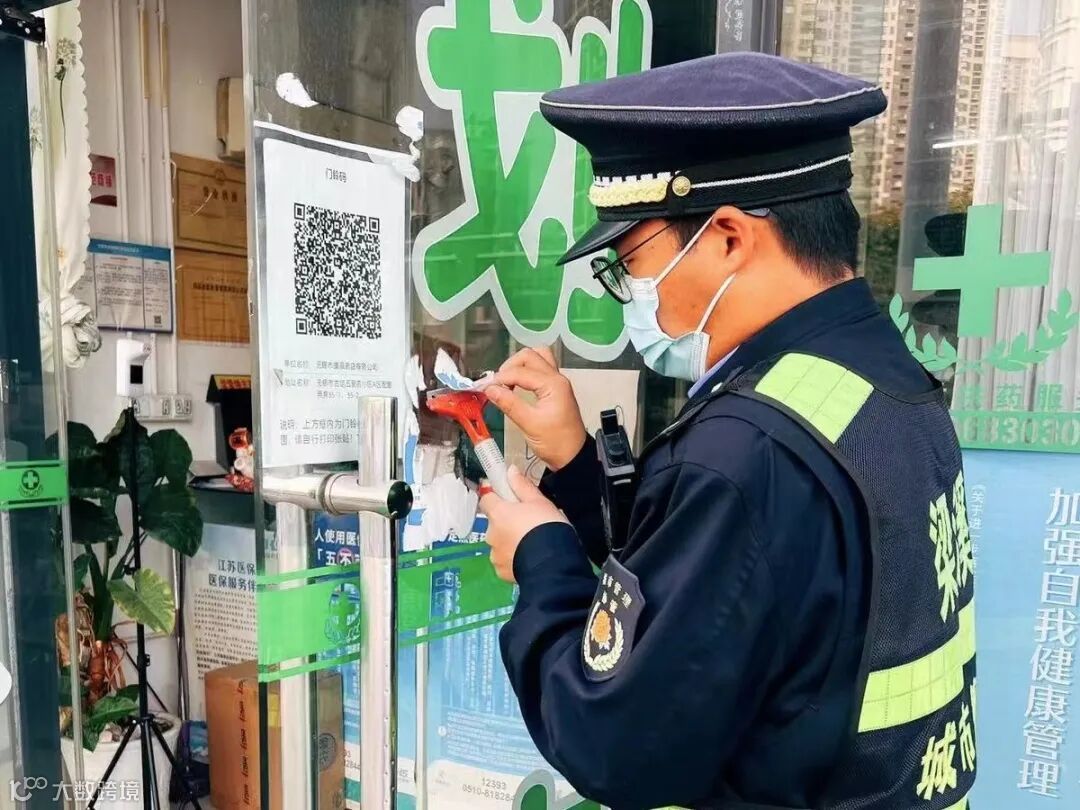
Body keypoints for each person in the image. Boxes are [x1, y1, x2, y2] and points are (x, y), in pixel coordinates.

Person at [478, 52, 977, 810]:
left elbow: (613, 745)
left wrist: (542, 559)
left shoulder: (747, 450)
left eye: (630, 260)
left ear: (729, 238)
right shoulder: (887, 379)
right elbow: (732, 589)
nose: (630, 291)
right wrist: (576, 461)